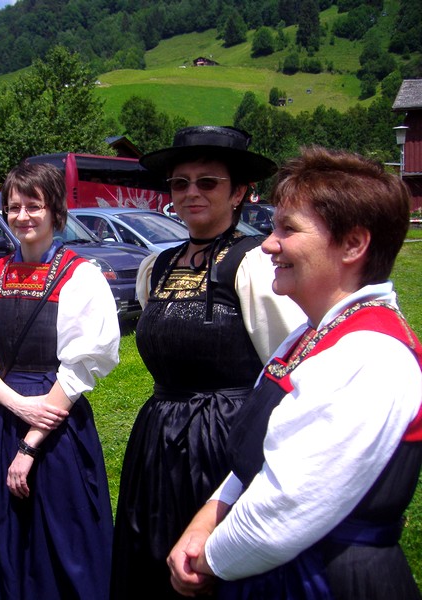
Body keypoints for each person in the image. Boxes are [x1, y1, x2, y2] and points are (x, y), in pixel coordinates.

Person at [168, 146, 422, 599]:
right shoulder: (311, 334)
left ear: (353, 244)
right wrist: (207, 517)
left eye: (289, 229)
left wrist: (208, 560)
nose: (268, 243)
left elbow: (287, 506)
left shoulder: (370, 353)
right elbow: (260, 460)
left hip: (327, 580)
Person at [111, 126, 305, 598]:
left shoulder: (253, 264)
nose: (191, 192)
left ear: (238, 193)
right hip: (159, 438)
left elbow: (287, 371)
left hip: (225, 441)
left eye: (208, 182)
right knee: (154, 561)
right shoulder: (157, 266)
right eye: (180, 183)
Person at [0, 161, 120, 599]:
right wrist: (15, 404)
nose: (23, 216)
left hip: (56, 424)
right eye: (14, 207)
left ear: (55, 211)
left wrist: (30, 443)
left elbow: (82, 366)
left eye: (34, 205)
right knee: (3, 535)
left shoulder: (81, 276)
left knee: (64, 541)